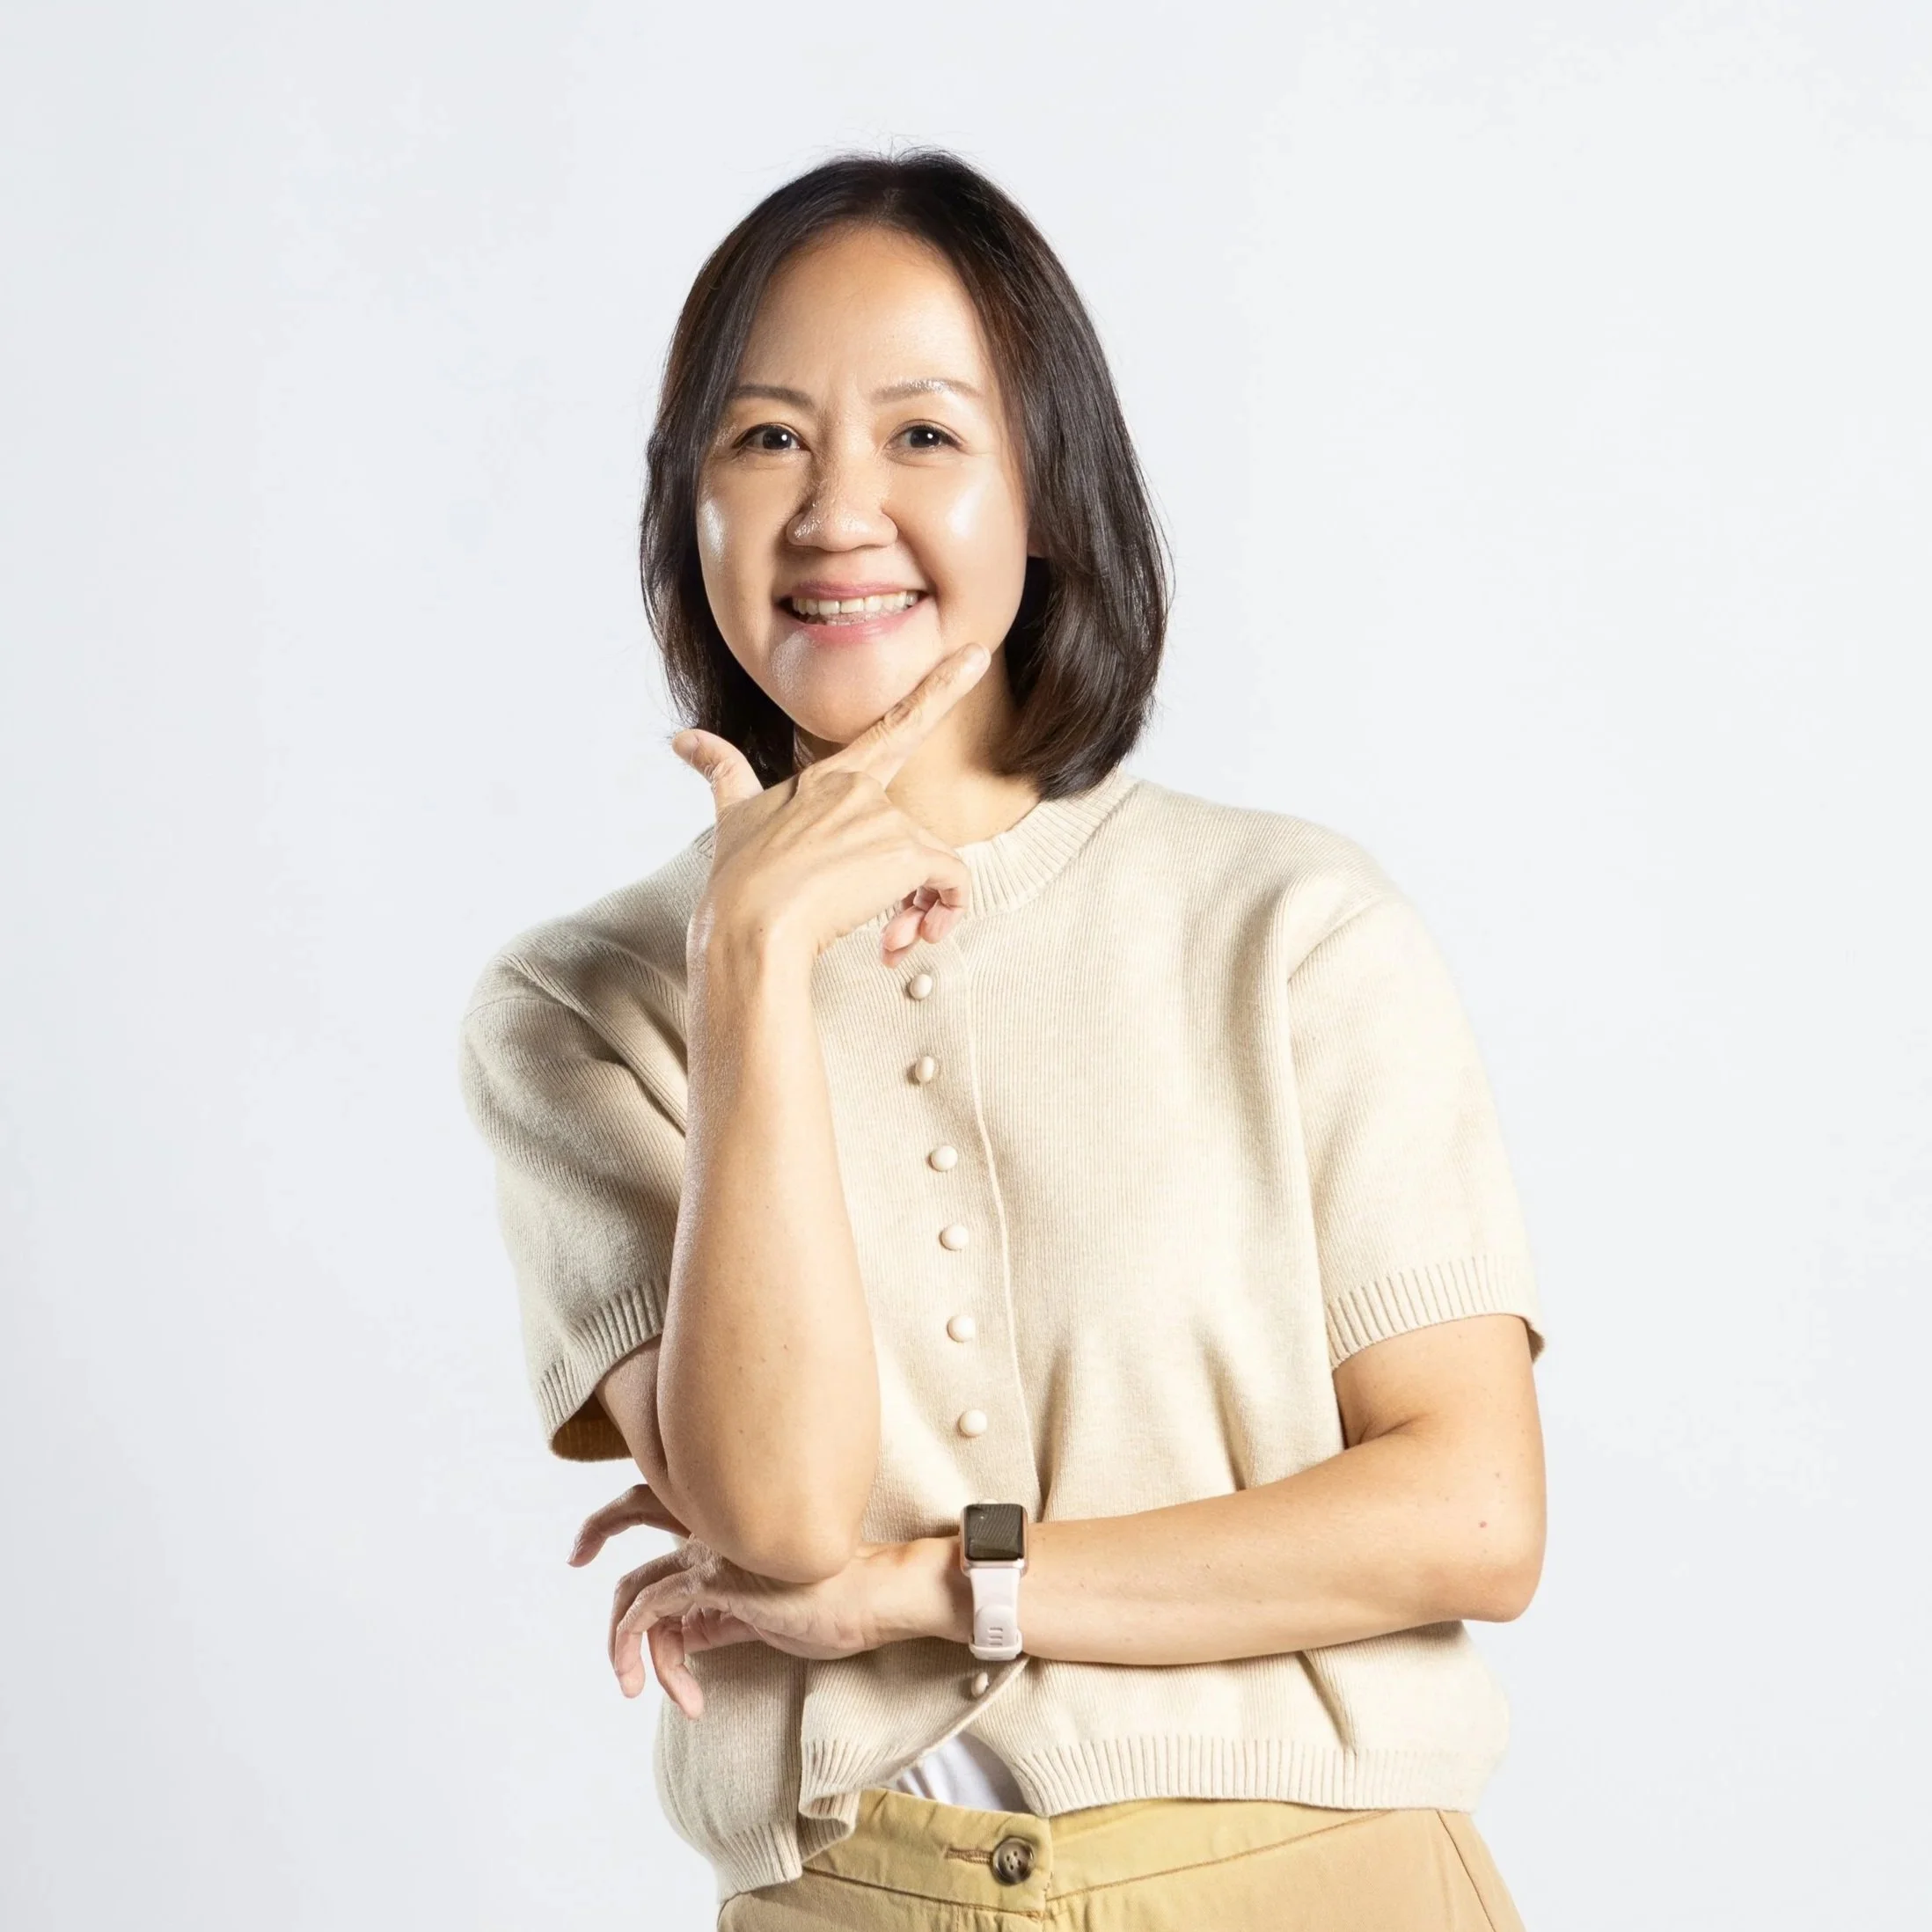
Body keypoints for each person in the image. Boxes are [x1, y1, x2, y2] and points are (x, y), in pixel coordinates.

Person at [457, 149, 1547, 1932]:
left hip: (1318, 1884)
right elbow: (782, 1514)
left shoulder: (1288, 929)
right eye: (768, 440)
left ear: (1046, 493)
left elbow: (1473, 1513)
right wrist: (753, 952)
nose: (836, 513)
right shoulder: (582, 1011)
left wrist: (929, 1590)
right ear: (688, 509)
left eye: (925, 438)